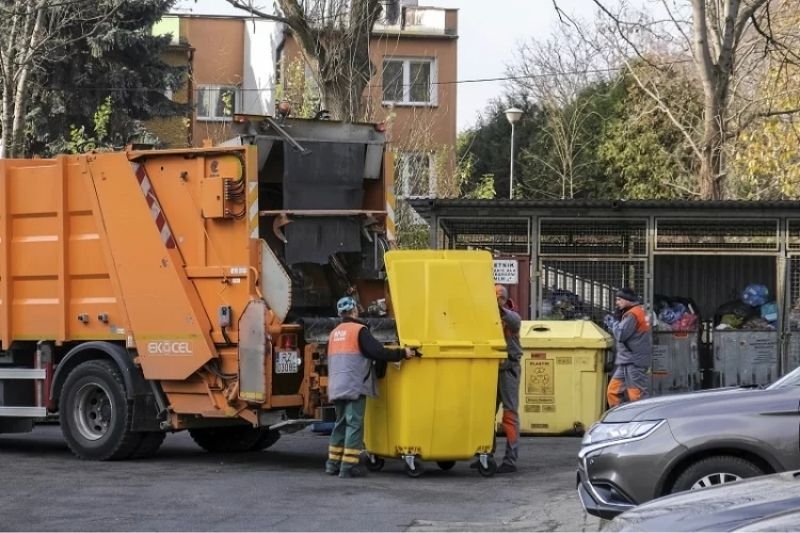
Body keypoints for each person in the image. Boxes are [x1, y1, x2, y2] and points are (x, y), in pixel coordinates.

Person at [325, 296, 414, 479]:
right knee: (354, 424)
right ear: (355, 311)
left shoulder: (335, 333)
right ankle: (348, 467)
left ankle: (332, 464)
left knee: (340, 423)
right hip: (354, 385)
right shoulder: (359, 330)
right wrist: (402, 353)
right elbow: (377, 352)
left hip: (336, 385)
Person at [603, 288, 652, 408]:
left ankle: (640, 422)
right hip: (627, 362)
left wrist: (613, 323)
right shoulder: (635, 312)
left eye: (619, 299)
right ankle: (619, 419)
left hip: (634, 363)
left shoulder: (633, 314)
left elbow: (621, 335)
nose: (617, 302)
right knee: (613, 392)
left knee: (637, 396)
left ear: (628, 300)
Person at [493, 284, 522, 474]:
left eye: (498, 297)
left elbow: (515, 322)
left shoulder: (510, 315)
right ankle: (485, 454)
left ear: (503, 299)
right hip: (490, 368)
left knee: (509, 414)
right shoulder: (485, 315)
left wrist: (498, 309)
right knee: (486, 414)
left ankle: (510, 460)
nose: (495, 301)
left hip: (508, 369)